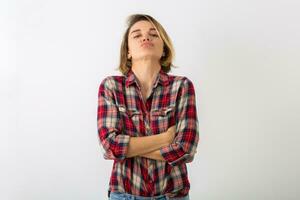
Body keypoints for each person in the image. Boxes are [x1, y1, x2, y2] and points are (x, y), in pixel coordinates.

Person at [97, 14, 199, 200]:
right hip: (124, 195)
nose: (145, 37)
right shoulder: (111, 86)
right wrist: (166, 138)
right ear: (128, 51)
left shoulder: (182, 86)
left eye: (153, 34)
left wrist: (129, 149)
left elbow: (185, 149)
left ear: (164, 49)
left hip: (173, 195)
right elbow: (109, 146)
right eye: (137, 35)